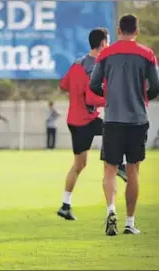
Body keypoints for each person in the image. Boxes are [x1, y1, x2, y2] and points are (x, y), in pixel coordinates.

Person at [90, 14, 159, 236]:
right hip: (137, 120)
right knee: (133, 171)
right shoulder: (148, 54)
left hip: (112, 120)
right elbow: (156, 86)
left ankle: (111, 210)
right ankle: (130, 223)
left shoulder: (106, 54)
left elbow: (93, 84)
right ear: (137, 32)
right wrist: (143, 97)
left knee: (110, 169)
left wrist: (109, 96)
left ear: (119, 30)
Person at [57, 28, 127, 221]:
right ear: (103, 43)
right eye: (109, 41)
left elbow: (63, 85)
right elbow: (91, 98)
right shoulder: (97, 66)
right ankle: (120, 164)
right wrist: (109, 100)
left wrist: (76, 97)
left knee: (79, 165)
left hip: (74, 121)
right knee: (112, 129)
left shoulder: (77, 63)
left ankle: (65, 205)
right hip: (86, 121)